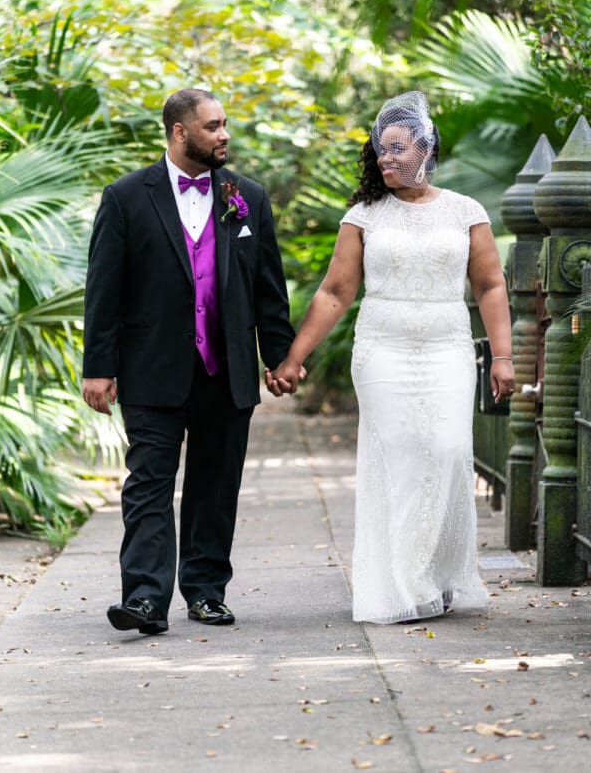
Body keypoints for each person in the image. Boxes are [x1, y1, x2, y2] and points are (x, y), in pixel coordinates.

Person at [266, 91, 515, 624]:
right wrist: (292, 359)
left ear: (427, 147)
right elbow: (335, 291)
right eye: (381, 150)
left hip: (447, 344)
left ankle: (439, 571)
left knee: (447, 451)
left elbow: (491, 285)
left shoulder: (466, 212)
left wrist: (503, 356)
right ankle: (406, 584)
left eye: (399, 147)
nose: (387, 158)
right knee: (401, 457)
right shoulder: (364, 216)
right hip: (383, 350)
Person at [82, 88, 299, 634]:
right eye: (213, 126)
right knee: (148, 482)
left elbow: (268, 290)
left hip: (227, 370)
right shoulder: (127, 197)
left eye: (225, 125)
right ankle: (146, 599)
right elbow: (103, 290)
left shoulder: (246, 195)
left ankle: (205, 592)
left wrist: (280, 357)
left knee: (215, 482)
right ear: (180, 131)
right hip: (152, 367)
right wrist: (98, 366)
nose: (224, 134)